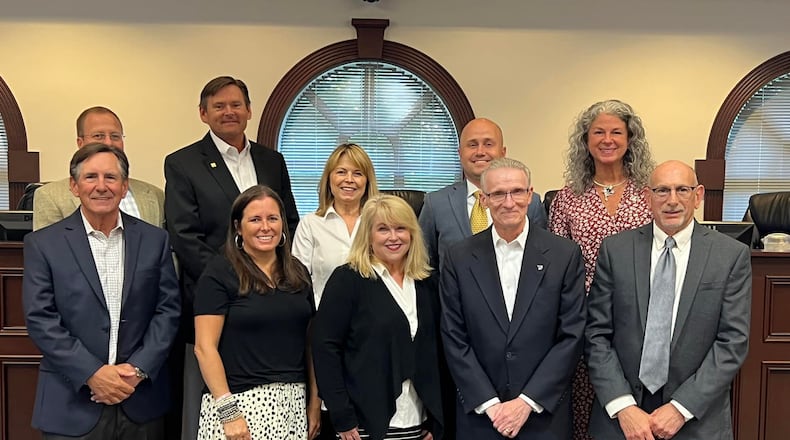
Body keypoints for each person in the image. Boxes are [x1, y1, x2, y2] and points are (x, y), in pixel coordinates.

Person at [165, 76, 300, 439]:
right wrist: (234, 279)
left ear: (249, 111)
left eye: (236, 104)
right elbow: (184, 234)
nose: (229, 112)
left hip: (274, 302)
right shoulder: (183, 163)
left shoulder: (272, 160)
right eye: (219, 105)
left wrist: (273, 281)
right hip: (216, 302)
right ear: (203, 113)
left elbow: (288, 221)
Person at [22, 143, 180, 439]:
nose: (101, 186)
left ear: (124, 186)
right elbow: (40, 318)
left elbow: (167, 310)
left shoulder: (154, 240)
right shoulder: (43, 245)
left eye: (111, 177)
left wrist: (138, 369)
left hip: (140, 399)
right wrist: (92, 373)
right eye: (90, 177)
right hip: (70, 403)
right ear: (74, 185)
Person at [585, 160, 752, 440]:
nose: (672, 201)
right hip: (622, 418)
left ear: (698, 196)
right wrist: (623, 406)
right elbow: (596, 334)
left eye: (682, 190)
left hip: (696, 417)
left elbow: (732, 342)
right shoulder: (616, 250)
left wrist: (680, 408)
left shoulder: (730, 256)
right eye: (662, 191)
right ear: (647, 197)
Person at [440, 157, 586, 439]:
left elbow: (572, 335)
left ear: (530, 195)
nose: (509, 202)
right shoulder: (458, 257)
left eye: (517, 192)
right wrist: (491, 405)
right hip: (481, 417)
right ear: (483, 199)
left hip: (543, 415)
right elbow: (453, 336)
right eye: (498, 194)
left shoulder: (564, 255)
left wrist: (527, 402)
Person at [548, 99, 655, 440]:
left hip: (639, 315)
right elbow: (554, 263)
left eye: (616, 132)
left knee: (632, 404)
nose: (607, 139)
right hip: (582, 317)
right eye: (598, 132)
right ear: (586, 140)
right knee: (583, 405)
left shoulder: (650, 193)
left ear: (629, 140)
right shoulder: (567, 197)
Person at [312, 195, 445, 440]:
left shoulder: (427, 283)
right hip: (362, 426)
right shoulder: (348, 280)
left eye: (400, 228)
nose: (393, 237)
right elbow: (325, 349)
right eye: (383, 229)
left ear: (412, 233)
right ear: (368, 236)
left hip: (417, 423)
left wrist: (437, 420)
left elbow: (436, 354)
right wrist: (341, 415)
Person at [193, 185, 319, 440]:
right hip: (237, 408)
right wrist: (229, 412)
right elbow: (204, 348)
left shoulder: (298, 273)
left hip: (293, 404)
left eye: (273, 218)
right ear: (238, 227)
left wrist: (314, 403)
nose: (265, 227)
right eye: (255, 219)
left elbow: (311, 344)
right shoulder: (219, 273)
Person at [291, 143, 378, 439]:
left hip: (373, 336)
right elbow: (299, 286)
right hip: (326, 336)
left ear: (368, 180)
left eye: (357, 173)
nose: (348, 180)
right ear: (329, 178)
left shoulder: (381, 224)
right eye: (340, 172)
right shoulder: (310, 225)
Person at [419, 117, 547, 271]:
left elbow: (542, 257)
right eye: (472, 145)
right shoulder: (436, 204)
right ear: (460, 153)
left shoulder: (530, 203)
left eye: (488, 144)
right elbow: (423, 264)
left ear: (503, 152)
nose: (480, 152)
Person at [33, 106, 165, 230]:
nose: (108, 142)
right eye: (98, 136)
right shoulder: (50, 196)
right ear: (80, 143)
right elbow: (49, 249)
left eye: (115, 136)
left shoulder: (155, 195)